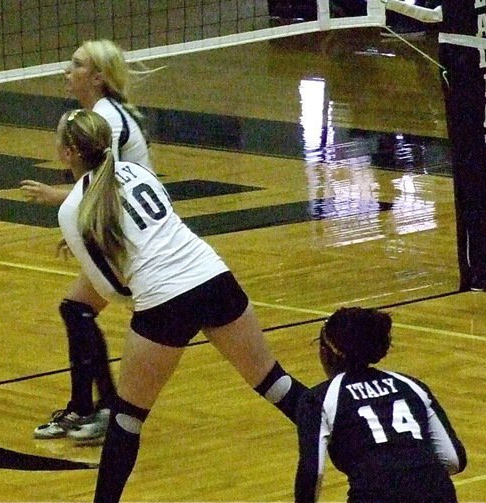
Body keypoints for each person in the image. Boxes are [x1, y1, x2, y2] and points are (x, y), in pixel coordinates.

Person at [47, 110, 306, 502]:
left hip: (164, 301)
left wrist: (143, 295)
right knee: (275, 383)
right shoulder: (139, 172)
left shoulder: (72, 209)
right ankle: (362, 440)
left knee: (127, 417)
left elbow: (109, 289)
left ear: (67, 153)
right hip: (215, 278)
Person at [20, 40, 150, 444]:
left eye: (76, 65)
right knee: (75, 309)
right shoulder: (103, 114)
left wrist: (56, 201)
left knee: (76, 309)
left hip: (130, 230)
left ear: (96, 77)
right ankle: (87, 407)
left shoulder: (105, 120)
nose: (67, 71)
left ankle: (101, 408)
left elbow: (104, 185)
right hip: (120, 223)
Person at [294, 306, 466, 502]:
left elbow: (312, 472)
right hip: (438, 493)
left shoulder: (318, 398)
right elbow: (454, 459)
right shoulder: (411, 385)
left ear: (326, 354)